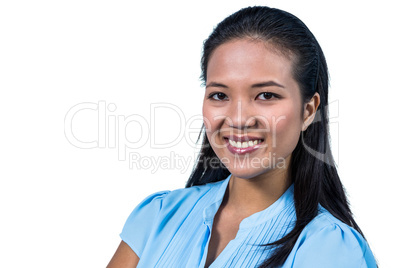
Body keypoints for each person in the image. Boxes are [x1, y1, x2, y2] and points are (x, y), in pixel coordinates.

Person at [107, 6, 376, 268]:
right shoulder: (158, 215)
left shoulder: (330, 248)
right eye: (219, 95)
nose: (237, 119)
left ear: (308, 111)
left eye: (266, 95)